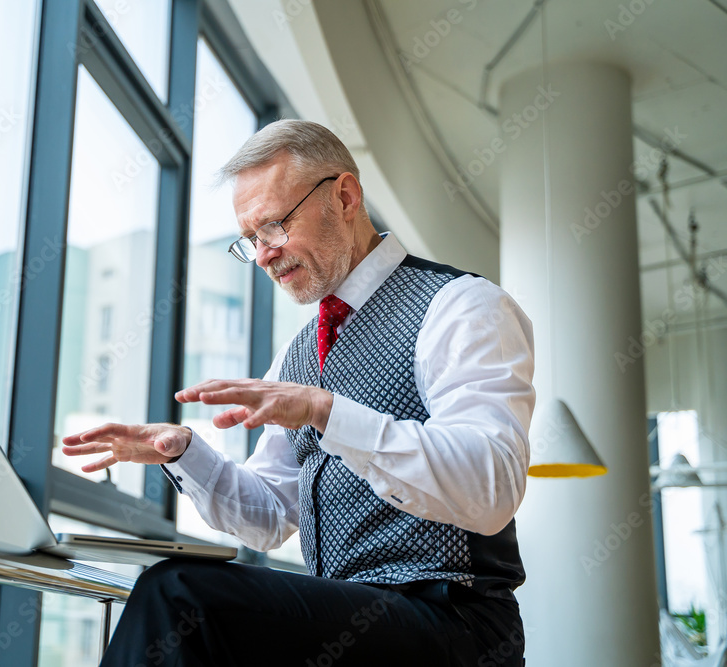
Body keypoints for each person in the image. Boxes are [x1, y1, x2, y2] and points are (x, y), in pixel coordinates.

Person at [63, 119, 534, 666]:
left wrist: (324, 409)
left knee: (180, 595)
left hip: (455, 623)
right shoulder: (300, 350)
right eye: (251, 239)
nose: (262, 254)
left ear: (345, 197)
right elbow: (269, 518)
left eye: (275, 226)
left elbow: (492, 487)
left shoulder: (461, 305)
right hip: (352, 619)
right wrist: (184, 454)